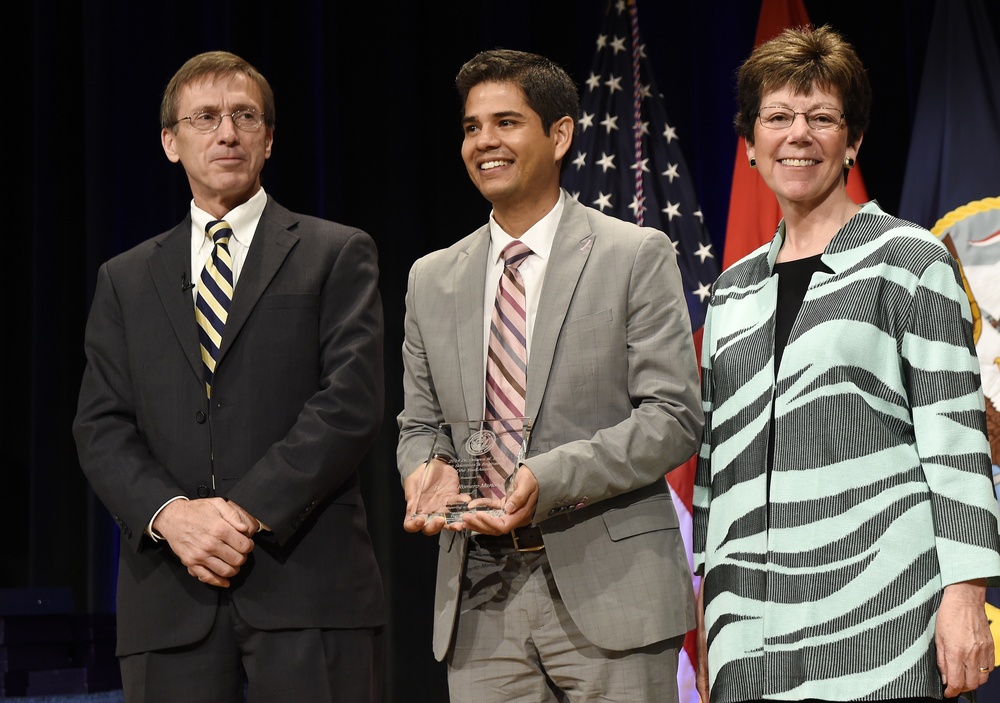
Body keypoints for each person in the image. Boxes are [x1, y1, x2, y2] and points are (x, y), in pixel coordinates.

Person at [693, 25, 1000, 703]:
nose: (797, 134)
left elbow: (956, 442)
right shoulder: (732, 290)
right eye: (777, 117)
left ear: (852, 140)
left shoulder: (909, 260)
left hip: (884, 616)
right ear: (750, 145)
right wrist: (711, 617)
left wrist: (966, 593)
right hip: (749, 628)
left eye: (822, 117)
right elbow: (715, 467)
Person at [73, 51, 385, 703]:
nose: (227, 133)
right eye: (206, 117)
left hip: (308, 587)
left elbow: (349, 401)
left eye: (245, 116)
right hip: (169, 595)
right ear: (170, 141)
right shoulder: (125, 278)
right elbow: (101, 424)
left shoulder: (336, 251)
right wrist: (173, 515)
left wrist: (241, 512)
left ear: (269, 139)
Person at [396, 48, 703, 702]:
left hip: (610, 590)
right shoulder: (431, 278)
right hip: (480, 602)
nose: (484, 142)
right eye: (472, 127)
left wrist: (551, 475)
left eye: (506, 122)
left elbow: (673, 418)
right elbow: (421, 424)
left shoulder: (632, 254)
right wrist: (426, 468)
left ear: (559, 134)